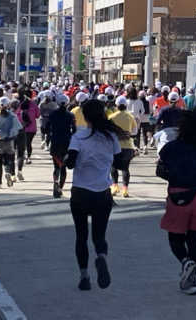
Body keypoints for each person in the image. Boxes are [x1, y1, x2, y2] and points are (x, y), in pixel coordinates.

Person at [157, 110, 196, 295]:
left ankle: (186, 263)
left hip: (179, 194)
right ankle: (191, 281)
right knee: (195, 240)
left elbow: (160, 171)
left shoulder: (170, 148)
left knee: (175, 238)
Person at [65, 99, 126, 291]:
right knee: (99, 236)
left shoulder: (79, 137)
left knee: (81, 236)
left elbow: (71, 163)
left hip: (80, 192)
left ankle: (84, 277)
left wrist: (67, 158)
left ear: (84, 115)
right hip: (102, 192)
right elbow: (119, 162)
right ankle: (101, 257)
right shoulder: (110, 137)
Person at [109, 96, 138, 197]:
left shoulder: (112, 117)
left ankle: (114, 187)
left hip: (114, 146)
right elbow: (135, 132)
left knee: (113, 167)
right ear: (126, 105)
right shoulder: (130, 116)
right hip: (128, 146)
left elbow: (108, 132)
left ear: (116, 105)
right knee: (125, 168)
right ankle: (125, 190)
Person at [0, 97, 23, 189]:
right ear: (8, 105)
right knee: (9, 160)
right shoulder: (13, 115)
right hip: (9, 141)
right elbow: (19, 127)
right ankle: (8, 172)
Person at [49, 93, 75, 199]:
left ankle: (55, 182)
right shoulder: (70, 115)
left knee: (56, 166)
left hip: (55, 142)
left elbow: (46, 127)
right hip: (66, 142)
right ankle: (60, 188)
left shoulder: (52, 114)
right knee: (63, 166)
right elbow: (75, 129)